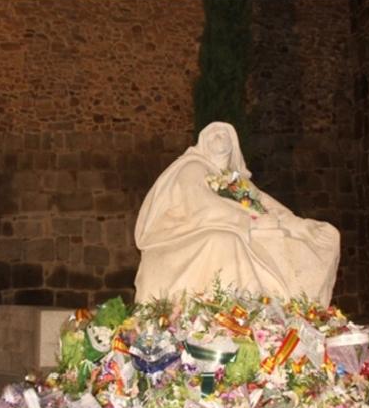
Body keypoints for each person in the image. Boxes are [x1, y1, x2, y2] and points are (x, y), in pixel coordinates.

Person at [134, 122, 340, 306]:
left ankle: (288, 309)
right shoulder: (192, 167)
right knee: (225, 240)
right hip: (180, 233)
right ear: (202, 143)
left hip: (225, 227)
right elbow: (202, 206)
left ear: (233, 143)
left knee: (305, 240)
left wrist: (298, 225)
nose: (218, 135)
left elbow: (264, 205)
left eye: (224, 133)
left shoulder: (235, 181)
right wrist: (250, 223)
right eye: (212, 133)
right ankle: (241, 310)